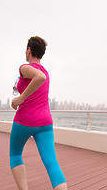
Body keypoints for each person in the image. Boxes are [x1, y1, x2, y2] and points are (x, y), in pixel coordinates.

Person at [10, 36, 68, 190]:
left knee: (15, 154)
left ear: (29, 50)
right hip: (45, 123)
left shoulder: (24, 67)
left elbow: (38, 77)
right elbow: (41, 77)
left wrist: (20, 99)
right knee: (51, 163)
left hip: (25, 121)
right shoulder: (46, 72)